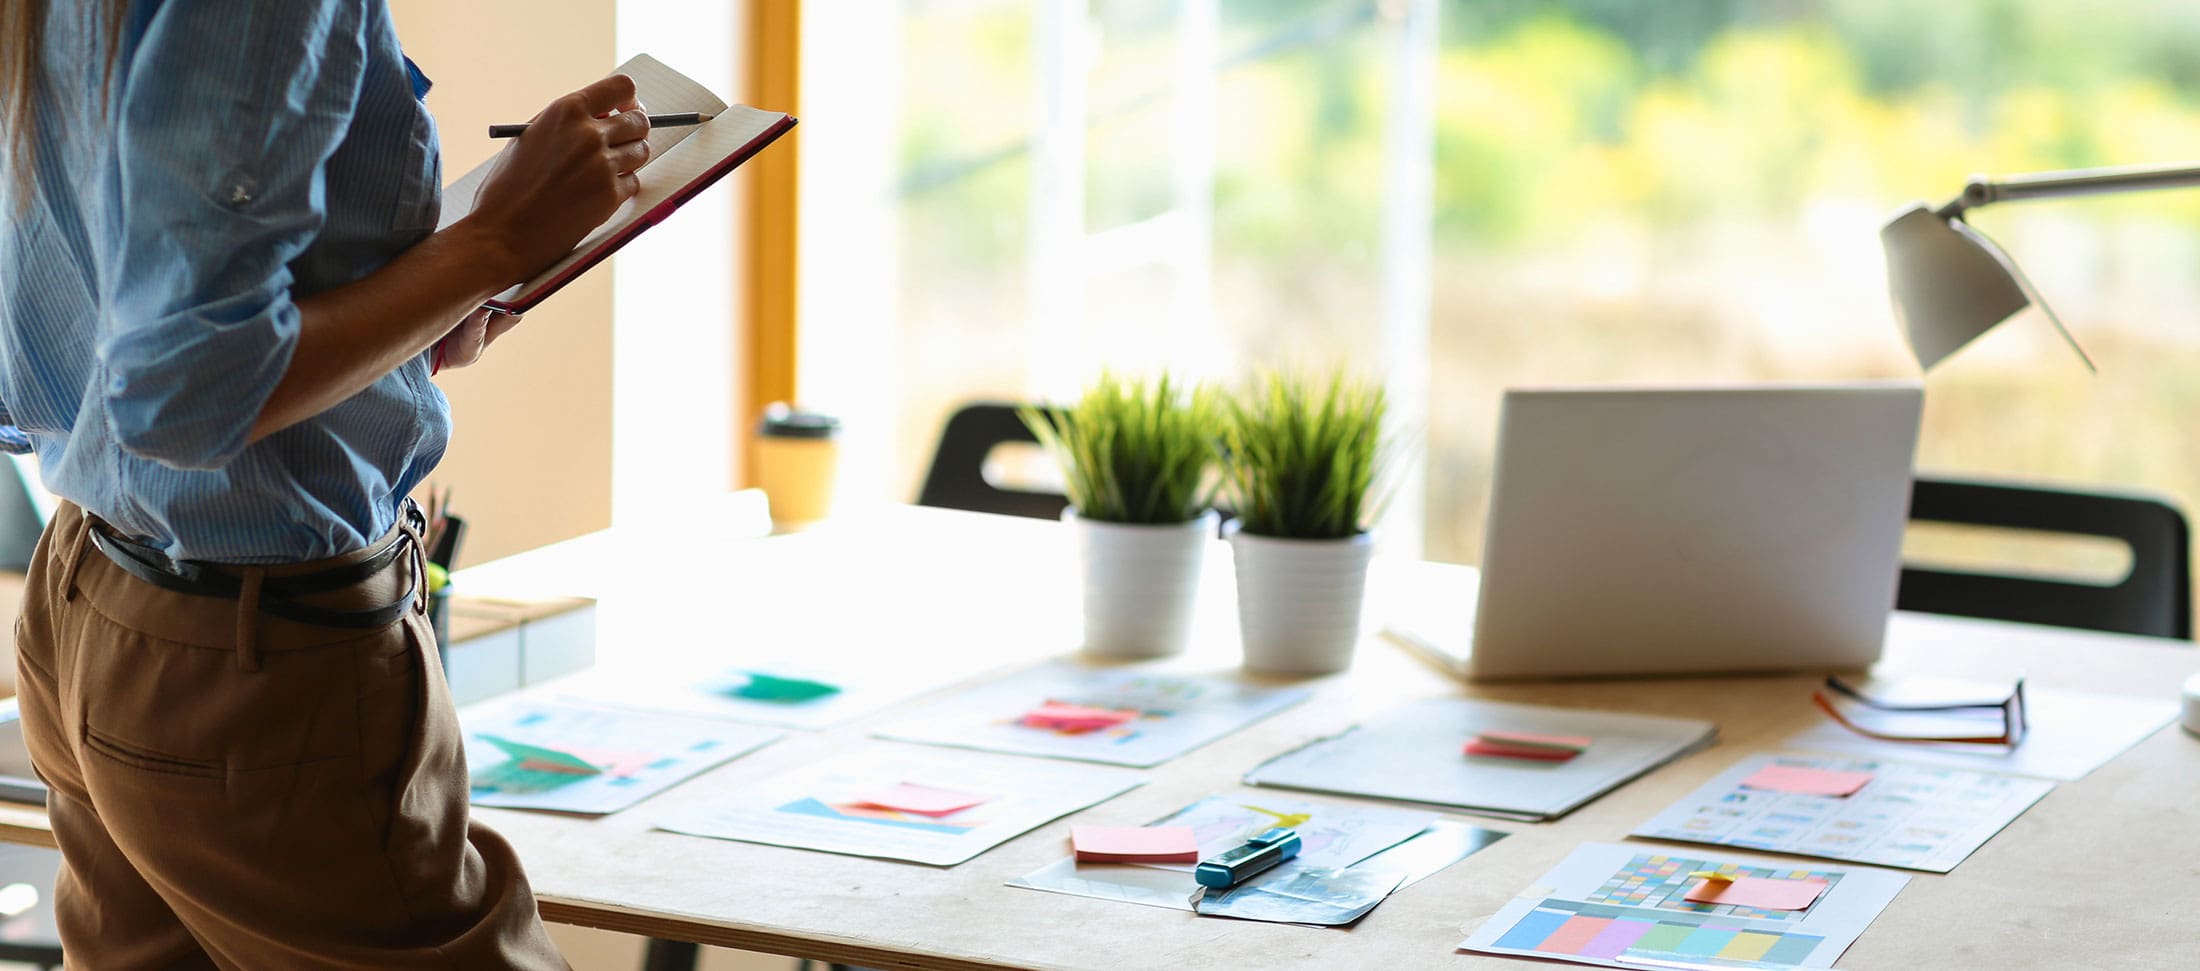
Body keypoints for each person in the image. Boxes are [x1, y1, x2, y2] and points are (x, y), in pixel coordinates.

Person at [0, 0, 651, 964]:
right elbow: (184, 392)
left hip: (98, 592)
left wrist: (414, 318)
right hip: (257, 660)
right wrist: (497, 242)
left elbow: (128, 322)